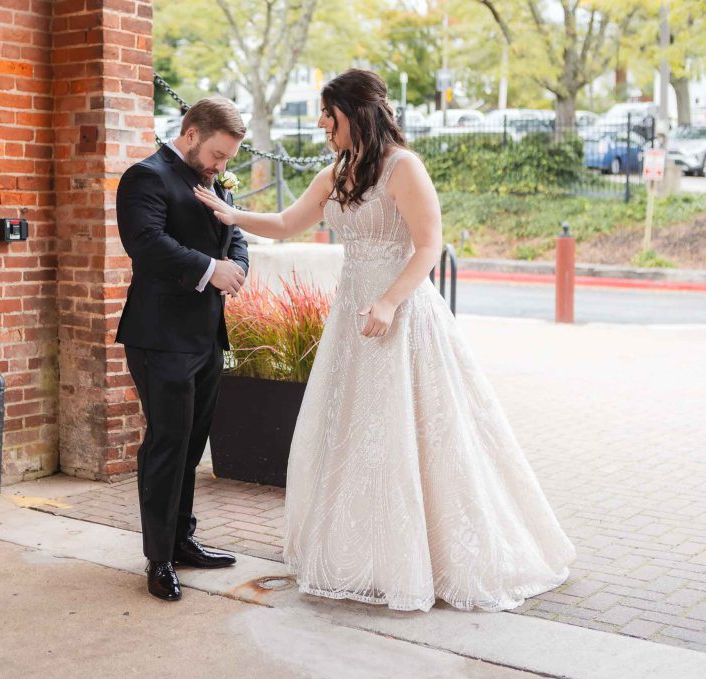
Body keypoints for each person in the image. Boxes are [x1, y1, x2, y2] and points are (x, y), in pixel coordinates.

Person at [194, 69, 575, 612]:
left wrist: (391, 300)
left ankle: (427, 556)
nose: (323, 123)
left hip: (401, 317)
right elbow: (285, 222)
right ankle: (363, 556)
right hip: (353, 319)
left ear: (356, 112)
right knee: (354, 433)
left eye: (330, 113)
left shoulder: (403, 168)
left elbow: (428, 246)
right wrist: (231, 213)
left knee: (411, 435)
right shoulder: (337, 172)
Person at [116, 96, 250, 601]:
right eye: (217, 155)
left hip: (208, 335)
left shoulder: (215, 180)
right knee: (167, 445)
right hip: (160, 338)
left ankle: (182, 539)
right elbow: (146, 243)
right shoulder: (145, 178)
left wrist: (236, 266)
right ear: (191, 133)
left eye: (227, 161)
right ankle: (157, 558)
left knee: (193, 445)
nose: (221, 167)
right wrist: (209, 269)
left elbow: (232, 232)